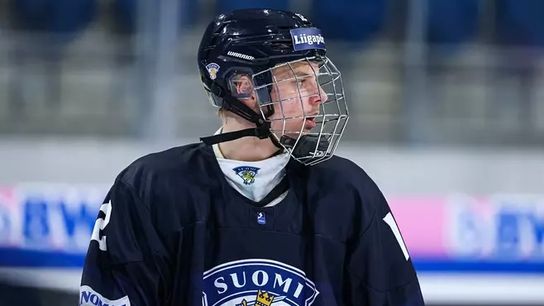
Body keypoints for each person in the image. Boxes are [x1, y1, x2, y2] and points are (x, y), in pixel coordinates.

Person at [80, 8, 425, 306]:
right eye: (300, 81)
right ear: (243, 86)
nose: (319, 95)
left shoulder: (347, 191)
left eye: (316, 80)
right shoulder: (149, 189)